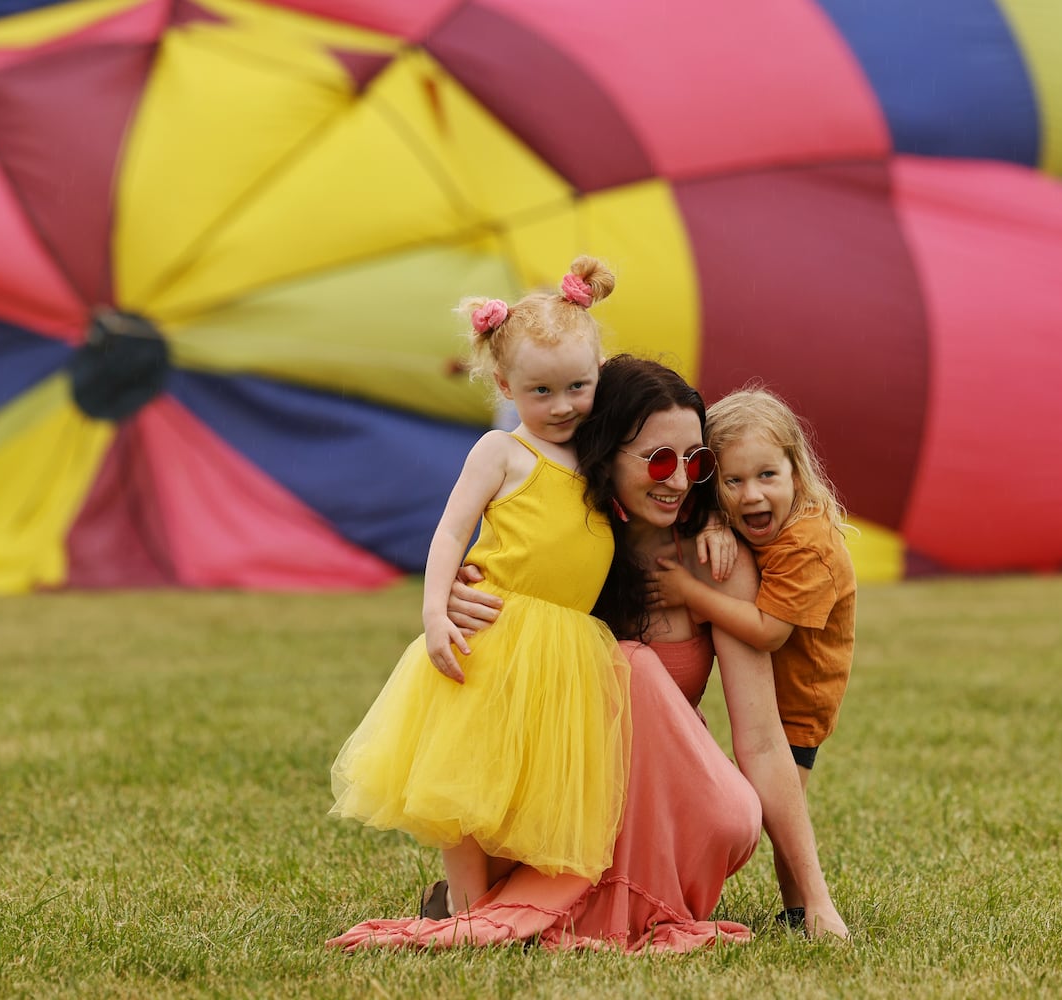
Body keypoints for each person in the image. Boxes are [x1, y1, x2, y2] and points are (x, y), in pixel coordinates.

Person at [329, 355, 849, 952]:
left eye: (695, 461)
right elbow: (477, 712)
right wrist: (450, 591)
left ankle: (539, 901)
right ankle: (497, 897)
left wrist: (815, 901)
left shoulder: (716, 561)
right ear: (606, 453)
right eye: (657, 459)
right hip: (560, 796)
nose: (678, 480)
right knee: (629, 663)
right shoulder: (570, 550)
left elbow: (759, 739)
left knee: (731, 810)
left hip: (670, 801)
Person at [329, 257, 634, 920]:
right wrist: (436, 611)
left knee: (535, 785)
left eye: (577, 387)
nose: (562, 407)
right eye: (540, 392)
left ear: (598, 375)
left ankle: (516, 900)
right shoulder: (502, 451)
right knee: (466, 782)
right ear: (504, 384)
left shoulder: (601, 456)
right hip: (493, 634)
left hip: (568, 649)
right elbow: (449, 534)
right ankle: (467, 905)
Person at [650, 385, 856, 929]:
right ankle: (797, 907)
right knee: (775, 803)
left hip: (799, 702)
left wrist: (692, 594)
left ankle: (803, 907)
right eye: (732, 482)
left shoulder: (807, 545)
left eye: (767, 476)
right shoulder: (743, 520)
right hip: (778, 691)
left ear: (796, 471)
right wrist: (713, 522)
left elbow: (767, 633)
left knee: (783, 809)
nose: (749, 496)